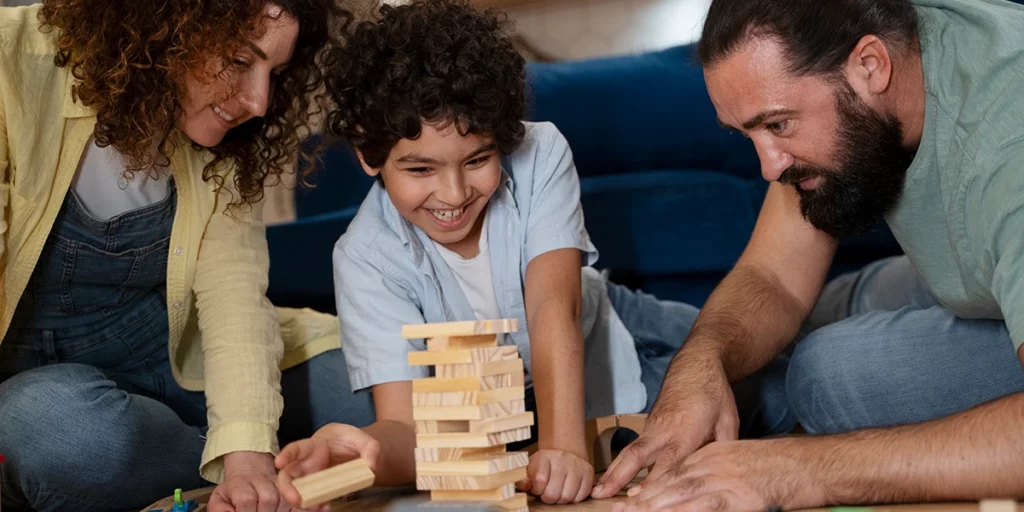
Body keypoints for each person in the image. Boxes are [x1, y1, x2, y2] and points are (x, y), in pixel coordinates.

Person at [271, 0, 793, 507]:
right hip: (518, 401)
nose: (453, 195)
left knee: (771, 362)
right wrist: (364, 455)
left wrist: (563, 446)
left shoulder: (541, 152)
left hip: (608, 322)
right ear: (368, 154)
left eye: (478, 159)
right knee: (750, 411)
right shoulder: (364, 258)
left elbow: (551, 309)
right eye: (421, 169)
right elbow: (409, 428)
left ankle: (840, 296)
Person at [590, 0, 1024, 510]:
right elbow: (774, 276)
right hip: (974, 267)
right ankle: (629, 325)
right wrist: (700, 364)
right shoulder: (886, 33)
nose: (769, 169)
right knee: (802, 318)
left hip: (998, 236)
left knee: (828, 372)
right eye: (749, 133)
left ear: (871, 65)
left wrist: (798, 468)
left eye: (778, 125)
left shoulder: (1005, 151)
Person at [0, 1, 375, 511]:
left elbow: (234, 299)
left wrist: (248, 457)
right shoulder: (9, 64)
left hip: (180, 356)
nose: (260, 102)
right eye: (241, 62)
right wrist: (245, 459)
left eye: (275, 72)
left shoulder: (227, 142)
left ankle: (232, 463)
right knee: (63, 435)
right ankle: (239, 464)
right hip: (46, 389)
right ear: (166, 24)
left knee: (375, 398)